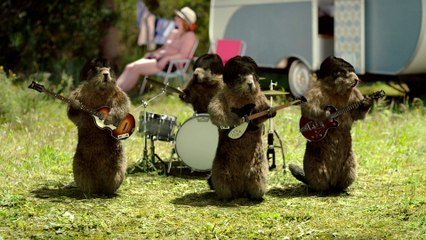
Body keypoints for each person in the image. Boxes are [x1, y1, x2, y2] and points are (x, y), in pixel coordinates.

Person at [117, 6, 197, 92]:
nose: (175, 18)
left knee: (135, 68)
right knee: (129, 67)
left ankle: (118, 95)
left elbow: (183, 55)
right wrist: (153, 53)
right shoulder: (173, 32)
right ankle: (113, 92)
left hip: (171, 64)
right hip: (159, 58)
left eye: (178, 16)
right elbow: (164, 48)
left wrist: (166, 58)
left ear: (184, 21)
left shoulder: (190, 36)